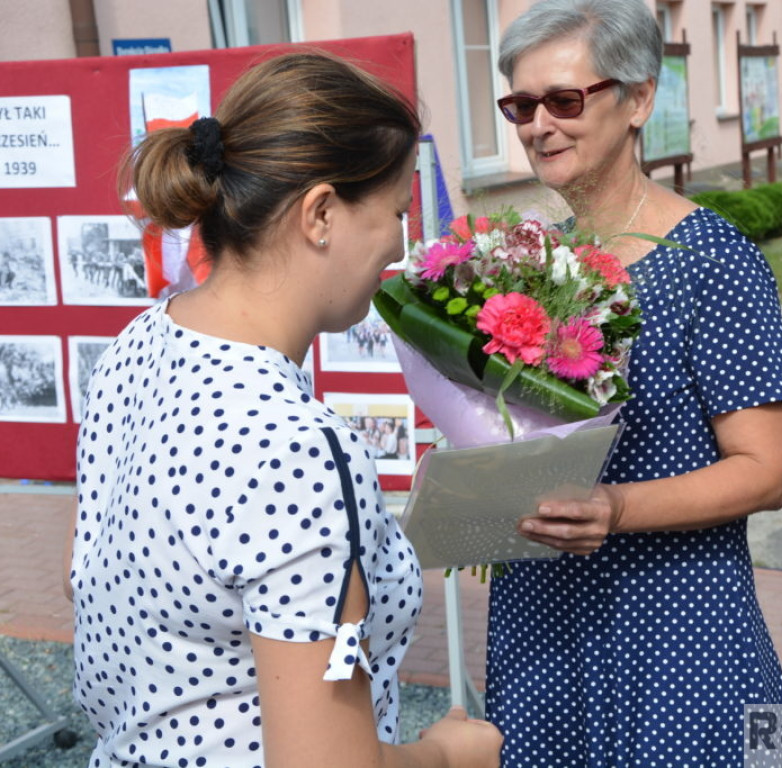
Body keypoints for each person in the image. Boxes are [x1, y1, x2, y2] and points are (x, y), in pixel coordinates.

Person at [66, 50, 502, 768]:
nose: (399, 242)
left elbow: (92, 580)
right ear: (321, 213)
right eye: (396, 211)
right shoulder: (293, 446)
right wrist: (453, 754)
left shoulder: (138, 344)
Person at [486, 1, 782, 765]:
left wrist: (616, 507)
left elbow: (769, 471)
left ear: (639, 99)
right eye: (521, 105)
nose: (539, 126)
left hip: (672, 624)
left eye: (565, 100)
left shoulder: (712, 262)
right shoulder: (529, 265)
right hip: (543, 619)